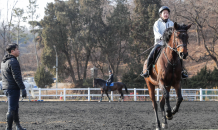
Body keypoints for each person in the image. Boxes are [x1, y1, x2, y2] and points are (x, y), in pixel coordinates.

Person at [141, 6, 188, 79]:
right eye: (164, 13)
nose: (166, 14)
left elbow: (175, 33)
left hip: (170, 45)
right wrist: (162, 37)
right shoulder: (157, 23)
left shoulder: (172, 23)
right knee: (152, 54)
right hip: (160, 43)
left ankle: (182, 72)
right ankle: (147, 70)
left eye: (167, 13)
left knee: (179, 55)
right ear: (160, 15)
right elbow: (156, 33)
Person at [1, 43, 27, 130]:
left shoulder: (4, 61)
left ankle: (18, 126)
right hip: (13, 88)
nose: (19, 51)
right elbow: (17, 77)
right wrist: (23, 88)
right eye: (17, 49)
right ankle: (8, 128)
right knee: (12, 109)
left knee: (15, 108)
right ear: (12, 51)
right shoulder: (13, 61)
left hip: (7, 88)